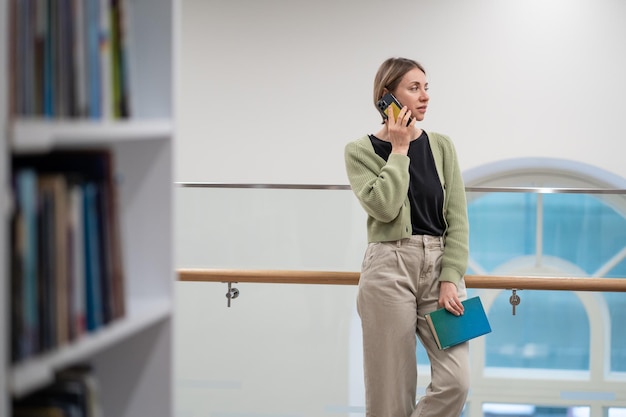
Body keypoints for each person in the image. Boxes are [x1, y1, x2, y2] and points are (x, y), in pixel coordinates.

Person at [344, 57, 470, 417]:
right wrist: (399, 151)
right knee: (391, 395)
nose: (425, 96)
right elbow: (384, 207)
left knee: (456, 381)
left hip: (441, 269)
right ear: (388, 97)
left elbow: (458, 219)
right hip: (388, 268)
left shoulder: (442, 145)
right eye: (414, 88)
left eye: (426, 87)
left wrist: (450, 278)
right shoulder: (359, 151)